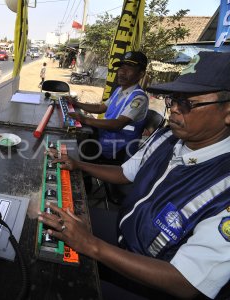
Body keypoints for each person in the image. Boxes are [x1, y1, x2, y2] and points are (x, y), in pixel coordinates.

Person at [39, 51, 230, 299]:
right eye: (172, 100)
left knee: (57, 288)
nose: (172, 111)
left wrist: (92, 245)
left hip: (152, 282)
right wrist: (78, 165)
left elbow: (187, 282)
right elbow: (125, 172)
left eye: (187, 103)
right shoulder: (166, 138)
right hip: (125, 228)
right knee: (50, 216)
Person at [68, 51, 149, 161]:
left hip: (116, 151)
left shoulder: (139, 98)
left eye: (128, 68)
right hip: (104, 141)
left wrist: (84, 119)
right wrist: (76, 103)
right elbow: (100, 108)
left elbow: (117, 124)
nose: (122, 72)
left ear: (141, 74)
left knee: (72, 150)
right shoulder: (119, 90)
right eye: (121, 68)